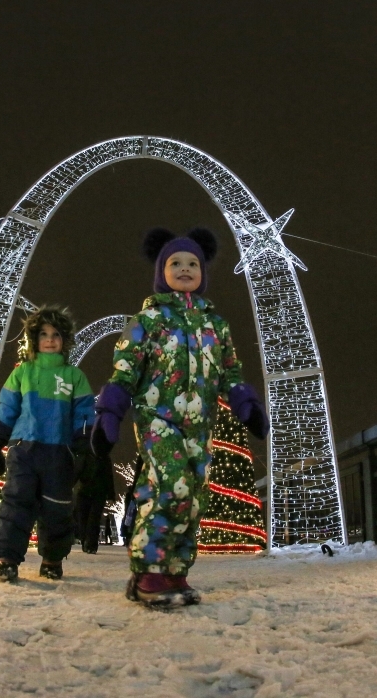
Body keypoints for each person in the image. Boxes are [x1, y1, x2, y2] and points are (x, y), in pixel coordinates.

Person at [91, 228, 269, 606]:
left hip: (200, 427)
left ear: (203, 271)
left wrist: (247, 405)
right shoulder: (147, 321)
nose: (185, 268)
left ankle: (175, 570)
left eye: (193, 263)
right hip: (158, 421)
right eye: (176, 263)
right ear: (161, 271)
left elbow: (230, 373)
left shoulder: (215, 326)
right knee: (170, 486)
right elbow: (124, 372)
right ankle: (149, 573)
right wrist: (109, 414)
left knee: (194, 496)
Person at [0, 306, 94, 583]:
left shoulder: (74, 376)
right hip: (24, 449)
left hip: (59, 453)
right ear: (34, 339)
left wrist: (83, 450)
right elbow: (7, 407)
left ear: (64, 340)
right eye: (43, 334)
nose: (49, 339)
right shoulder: (23, 373)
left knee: (57, 508)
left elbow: (84, 415)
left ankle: (52, 558)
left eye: (56, 334)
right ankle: (6, 559)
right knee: (16, 503)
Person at [74, 436, 115, 553]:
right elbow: (77, 471)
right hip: (85, 491)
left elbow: (109, 477)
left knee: (93, 519)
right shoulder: (85, 456)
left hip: (98, 492)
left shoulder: (105, 459)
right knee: (83, 519)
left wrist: (111, 495)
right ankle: (85, 542)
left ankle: (91, 544)